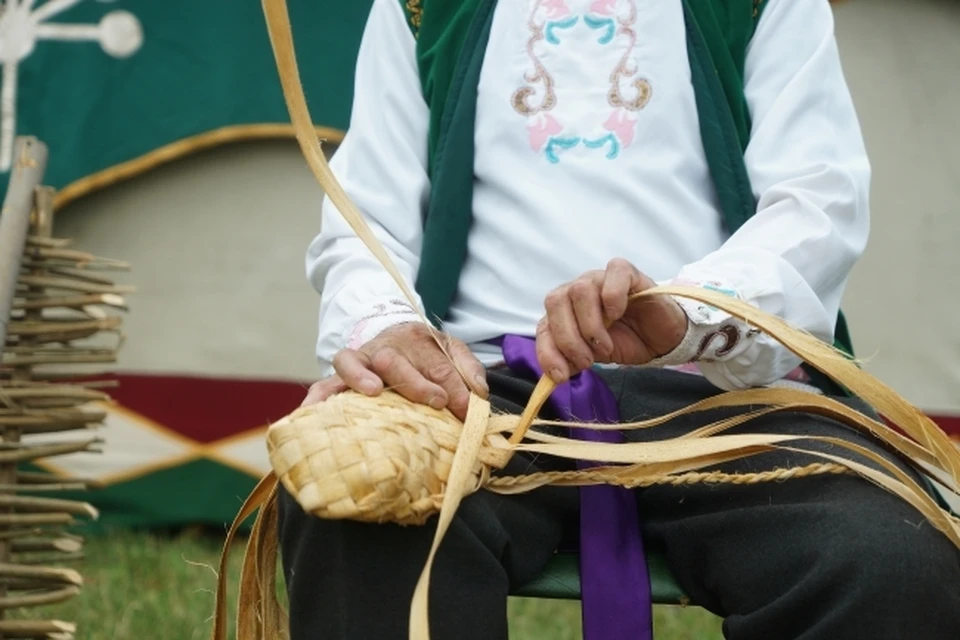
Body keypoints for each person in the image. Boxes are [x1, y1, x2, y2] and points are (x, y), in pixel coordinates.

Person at [278, 1, 960, 639]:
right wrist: (386, 328)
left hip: (731, 391)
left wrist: (686, 312)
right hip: (481, 395)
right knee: (359, 512)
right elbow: (365, 211)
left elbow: (818, 200)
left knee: (888, 559)